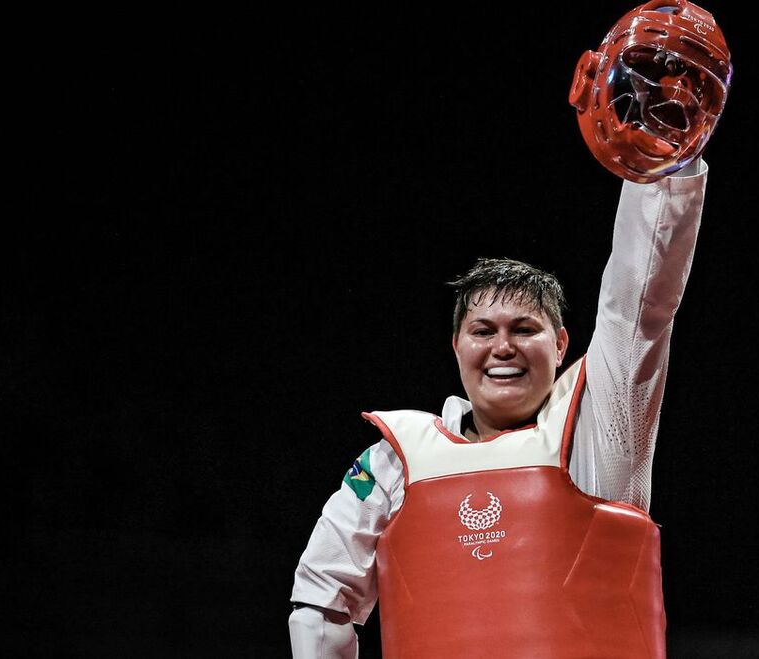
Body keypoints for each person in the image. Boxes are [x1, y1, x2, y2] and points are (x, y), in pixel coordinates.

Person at [288, 156, 709, 658]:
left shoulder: (600, 423)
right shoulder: (391, 461)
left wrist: (664, 165)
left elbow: (641, 302)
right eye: (483, 332)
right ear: (457, 348)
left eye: (524, 330)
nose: (502, 347)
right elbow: (321, 601)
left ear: (560, 345)